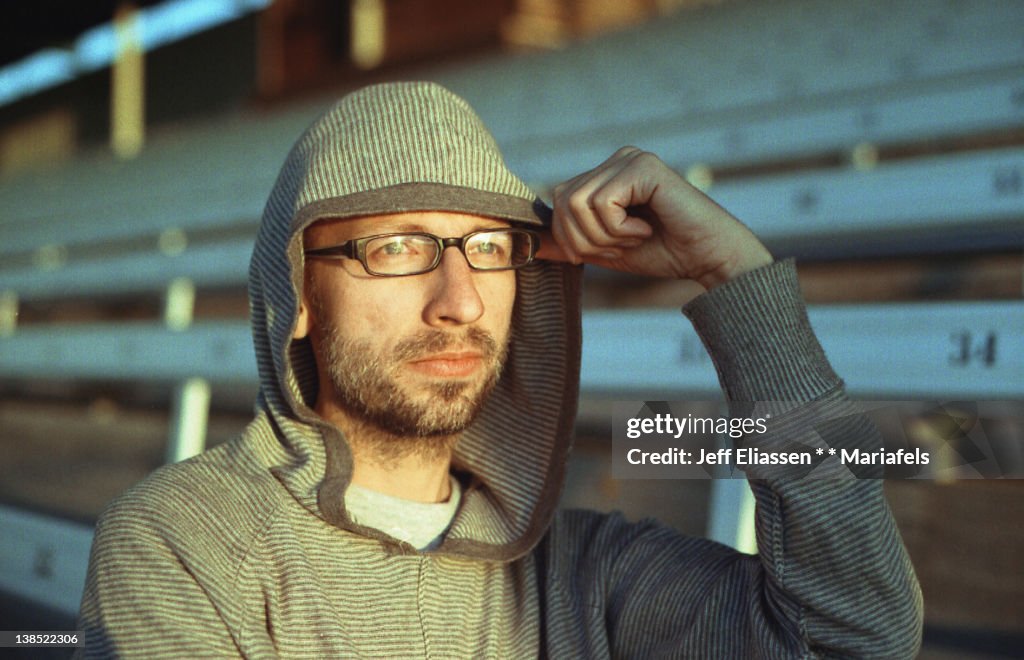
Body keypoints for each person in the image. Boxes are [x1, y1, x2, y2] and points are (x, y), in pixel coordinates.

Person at [76, 81, 922, 657]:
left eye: (488, 248)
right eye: (398, 247)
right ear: (296, 289)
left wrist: (735, 281)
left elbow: (856, 637)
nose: (461, 301)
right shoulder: (182, 542)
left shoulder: (586, 573)